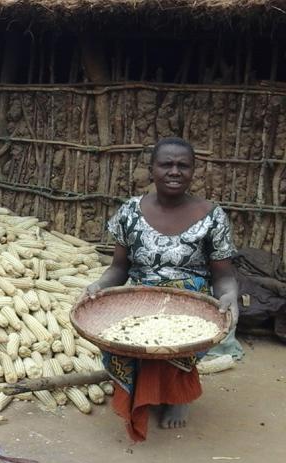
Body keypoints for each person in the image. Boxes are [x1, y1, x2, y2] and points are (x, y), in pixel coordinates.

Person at [86, 137, 241, 442]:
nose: (174, 171)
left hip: (191, 298)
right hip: (140, 297)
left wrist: (229, 295)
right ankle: (142, 394)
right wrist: (99, 286)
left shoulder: (212, 216)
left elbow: (223, 275)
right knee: (124, 334)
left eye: (183, 165)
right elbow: (119, 268)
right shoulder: (130, 212)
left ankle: (178, 396)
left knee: (177, 335)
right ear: (151, 169)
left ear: (193, 171)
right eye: (166, 164)